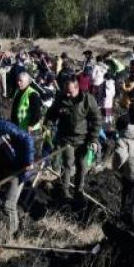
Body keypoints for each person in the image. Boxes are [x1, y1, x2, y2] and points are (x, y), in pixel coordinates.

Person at [44, 73, 102, 201]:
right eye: (66, 91)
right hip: (66, 138)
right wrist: (47, 126)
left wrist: (93, 139)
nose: (67, 94)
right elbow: (51, 114)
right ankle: (64, 192)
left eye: (70, 92)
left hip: (83, 139)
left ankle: (78, 191)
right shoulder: (61, 98)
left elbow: (97, 119)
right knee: (67, 164)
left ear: (77, 88)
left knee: (82, 166)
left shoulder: (87, 99)